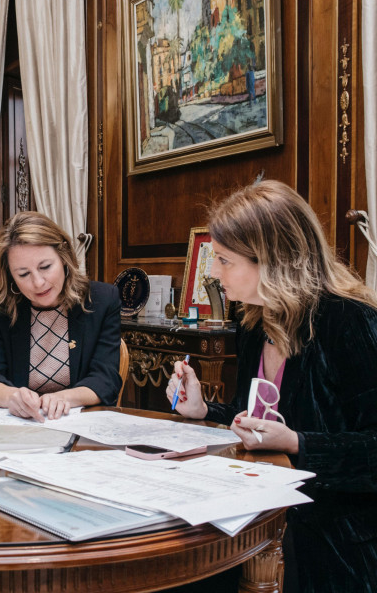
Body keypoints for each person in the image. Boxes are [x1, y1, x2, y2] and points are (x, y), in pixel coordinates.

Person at [167, 180, 377, 592]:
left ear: (272, 260)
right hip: (263, 515)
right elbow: (259, 423)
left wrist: (299, 442)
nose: (212, 271)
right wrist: (204, 411)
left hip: (335, 540)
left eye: (224, 260)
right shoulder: (253, 324)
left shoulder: (352, 323)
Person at [0, 211, 122, 420]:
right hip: (19, 427)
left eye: (46, 267)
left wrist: (64, 398)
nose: (38, 282)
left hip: (79, 422)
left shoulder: (102, 300)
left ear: (64, 257)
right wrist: (12, 397)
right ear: (10, 276)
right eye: (23, 274)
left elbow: (106, 379)